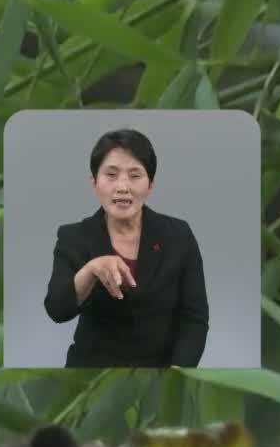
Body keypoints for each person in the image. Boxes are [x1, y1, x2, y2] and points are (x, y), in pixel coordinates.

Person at [43, 128, 209, 367]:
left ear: (150, 184)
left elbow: (195, 318)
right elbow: (57, 309)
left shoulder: (178, 235)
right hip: (93, 374)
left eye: (134, 175)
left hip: (160, 375)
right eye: (111, 175)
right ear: (94, 182)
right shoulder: (75, 236)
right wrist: (91, 270)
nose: (123, 186)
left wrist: (176, 375)